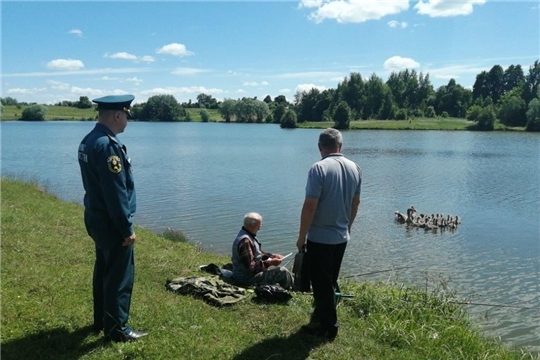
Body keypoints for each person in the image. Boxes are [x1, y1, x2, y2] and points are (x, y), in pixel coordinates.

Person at [78, 94, 148, 342]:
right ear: (118, 115)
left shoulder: (89, 140)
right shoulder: (108, 146)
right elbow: (115, 193)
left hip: (95, 217)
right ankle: (117, 329)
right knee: (119, 276)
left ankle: (102, 320)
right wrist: (126, 229)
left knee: (104, 271)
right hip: (111, 222)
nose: (127, 121)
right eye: (126, 116)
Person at [296, 128, 362, 340]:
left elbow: (310, 207)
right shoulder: (355, 168)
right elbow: (356, 202)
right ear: (340, 146)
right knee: (330, 280)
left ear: (319, 147)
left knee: (321, 282)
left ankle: (328, 328)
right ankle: (321, 314)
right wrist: (348, 226)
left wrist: (301, 236)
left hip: (320, 237)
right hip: (342, 236)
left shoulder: (318, 168)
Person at [231, 212, 293, 290]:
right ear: (250, 225)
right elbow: (252, 267)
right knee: (282, 271)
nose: (259, 228)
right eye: (258, 226)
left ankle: (291, 285)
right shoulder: (245, 241)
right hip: (246, 279)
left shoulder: (246, 235)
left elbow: (257, 254)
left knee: (275, 270)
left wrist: (271, 256)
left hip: (243, 275)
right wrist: (270, 263)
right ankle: (293, 290)